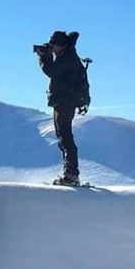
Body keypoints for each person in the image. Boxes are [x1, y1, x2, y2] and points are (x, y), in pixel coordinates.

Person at [35, 30, 85, 186]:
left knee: (65, 136)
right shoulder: (68, 55)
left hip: (65, 102)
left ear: (61, 45)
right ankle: (70, 174)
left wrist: (44, 57)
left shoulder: (68, 58)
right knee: (63, 135)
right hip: (64, 101)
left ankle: (71, 174)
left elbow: (52, 71)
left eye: (53, 45)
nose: (52, 48)